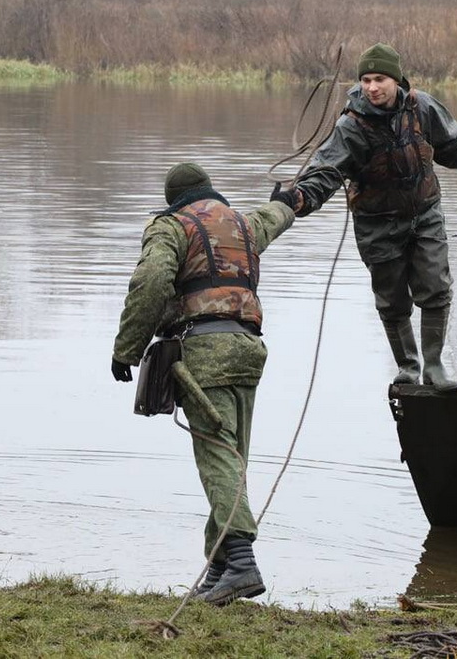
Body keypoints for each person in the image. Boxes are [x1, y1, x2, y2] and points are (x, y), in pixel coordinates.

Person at [111, 162, 295, 606]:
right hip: (250, 351)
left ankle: (242, 561)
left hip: (204, 352)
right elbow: (278, 215)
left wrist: (127, 349)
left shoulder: (171, 227)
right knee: (232, 459)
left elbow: (151, 281)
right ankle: (219, 570)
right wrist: (288, 200)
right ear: (209, 192)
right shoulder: (244, 224)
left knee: (217, 456)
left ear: (174, 198)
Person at [272, 43, 457, 392]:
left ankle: (435, 367)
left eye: (379, 79)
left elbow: (454, 147)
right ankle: (408, 366)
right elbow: (326, 172)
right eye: (365, 80)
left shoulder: (422, 107)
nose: (372, 87)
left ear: (396, 80)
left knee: (436, 288)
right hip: (376, 224)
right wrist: (298, 198)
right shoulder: (352, 126)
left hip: (424, 214)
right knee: (392, 299)